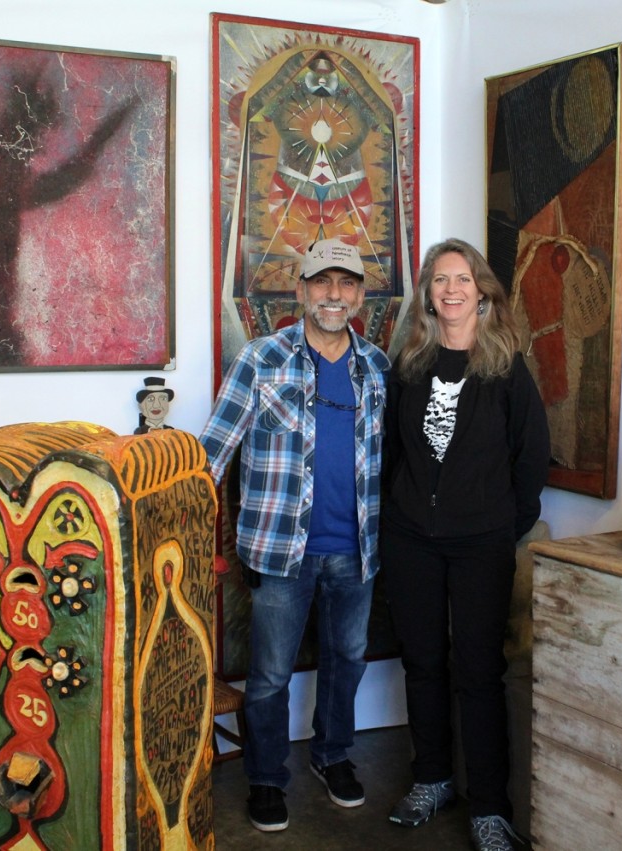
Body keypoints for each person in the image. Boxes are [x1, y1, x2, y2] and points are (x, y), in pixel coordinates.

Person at [199, 237, 390, 833]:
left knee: (347, 660)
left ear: (360, 295)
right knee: (271, 675)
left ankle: (333, 757)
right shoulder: (261, 359)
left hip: (356, 550)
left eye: (347, 284)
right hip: (281, 551)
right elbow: (211, 455)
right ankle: (265, 777)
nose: (334, 295)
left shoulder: (377, 367)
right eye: (322, 282)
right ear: (302, 290)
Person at [380, 238, 550, 851]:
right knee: (422, 664)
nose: (451, 289)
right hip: (410, 542)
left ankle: (489, 808)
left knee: (479, 672)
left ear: (482, 292)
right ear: (428, 295)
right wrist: (398, 515)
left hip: (481, 543)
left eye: (462, 278)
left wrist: (502, 524)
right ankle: (432, 780)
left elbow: (530, 458)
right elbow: (392, 454)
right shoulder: (410, 363)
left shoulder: (505, 366)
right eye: (440, 280)